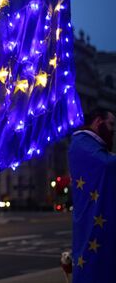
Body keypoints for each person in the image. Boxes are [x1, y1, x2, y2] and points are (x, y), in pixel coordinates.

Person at [68, 108, 116, 283]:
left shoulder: (94, 145)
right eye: (111, 124)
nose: (113, 130)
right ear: (98, 121)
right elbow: (105, 165)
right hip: (92, 223)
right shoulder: (81, 142)